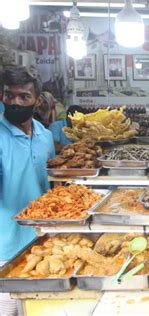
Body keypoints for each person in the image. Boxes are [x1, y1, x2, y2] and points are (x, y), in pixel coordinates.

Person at [0, 65, 55, 316]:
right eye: (8, 95)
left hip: (42, 241)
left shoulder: (44, 135)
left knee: (36, 309)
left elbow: (52, 183)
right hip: (5, 247)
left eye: (24, 96)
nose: (15, 102)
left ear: (37, 100)